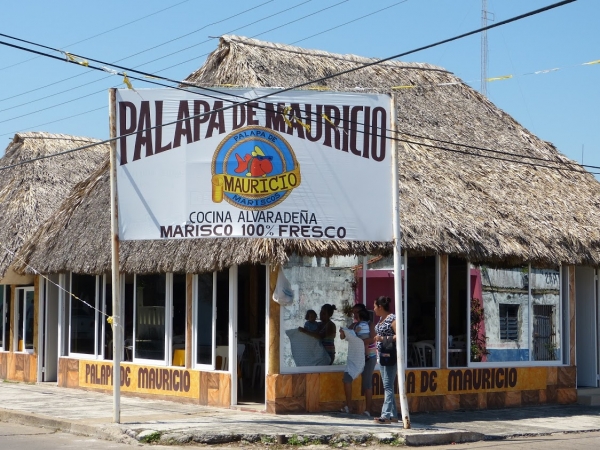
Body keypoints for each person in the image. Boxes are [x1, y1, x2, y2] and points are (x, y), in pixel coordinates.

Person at [339, 304, 376, 416]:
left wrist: (362, 342)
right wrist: (342, 332)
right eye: (353, 312)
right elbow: (343, 337)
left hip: (369, 357)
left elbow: (374, 338)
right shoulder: (354, 325)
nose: (354, 315)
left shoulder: (370, 324)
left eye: (356, 312)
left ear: (362, 312)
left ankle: (368, 410)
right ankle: (349, 406)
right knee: (347, 378)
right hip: (356, 357)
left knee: (367, 383)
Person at [373, 296, 398, 424]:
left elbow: (398, 335)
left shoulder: (392, 319)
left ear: (380, 307)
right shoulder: (381, 320)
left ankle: (385, 415)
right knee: (388, 385)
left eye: (375, 306)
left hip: (390, 355)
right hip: (381, 355)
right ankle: (393, 415)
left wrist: (382, 339)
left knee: (388, 386)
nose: (374, 309)